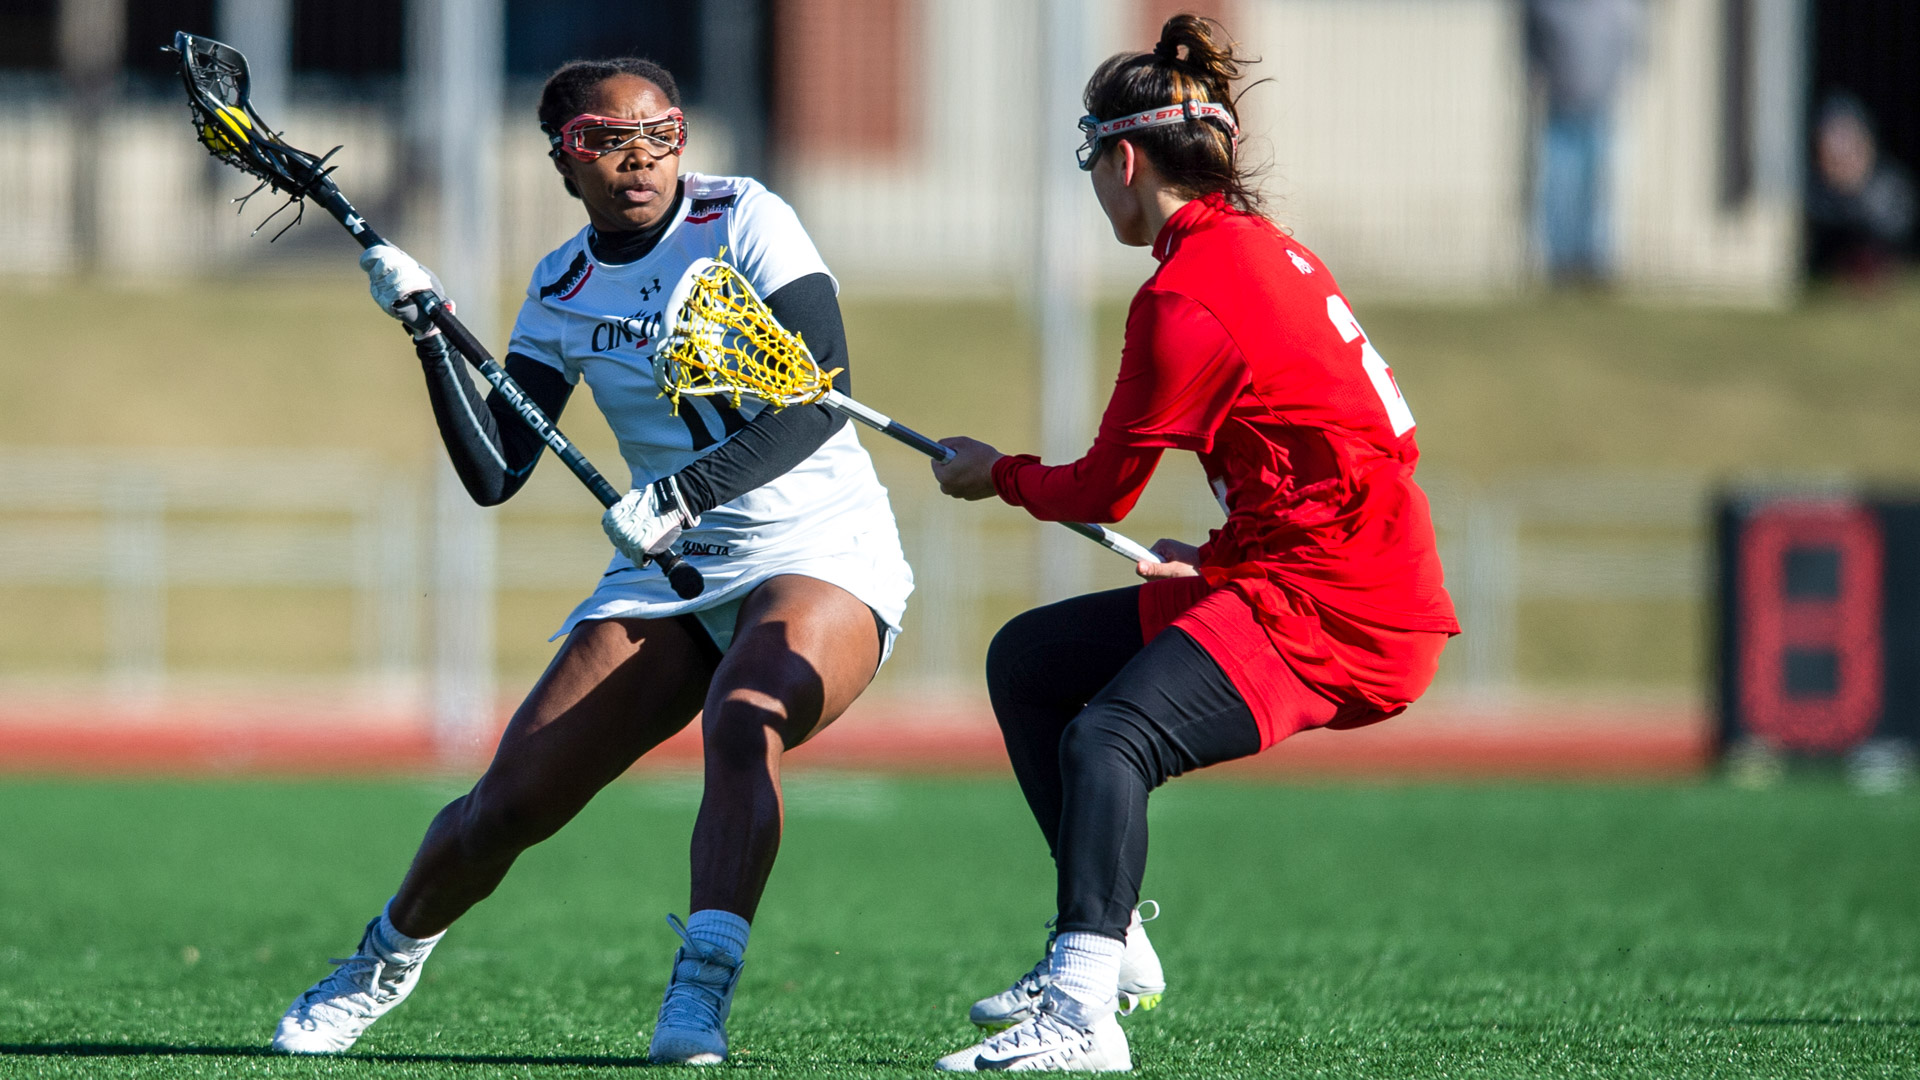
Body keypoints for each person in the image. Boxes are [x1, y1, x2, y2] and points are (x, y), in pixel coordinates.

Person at [269, 56, 912, 1066]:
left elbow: (821, 391)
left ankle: (698, 991)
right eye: (609, 142)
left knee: (746, 719)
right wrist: (431, 334)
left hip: (816, 545)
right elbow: (496, 471)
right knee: (511, 802)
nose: (640, 159)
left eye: (660, 134)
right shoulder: (561, 286)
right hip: (667, 566)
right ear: (566, 158)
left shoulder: (745, 216)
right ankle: (380, 962)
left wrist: (681, 492)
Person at [927, 16, 1457, 1072]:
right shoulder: (1262, 252)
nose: (1094, 190)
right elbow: (1329, 453)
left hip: (1337, 607)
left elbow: (1100, 486)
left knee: (1108, 738)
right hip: (1296, 571)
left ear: (1123, 160)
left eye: (1092, 166)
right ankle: (1109, 939)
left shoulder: (1185, 295)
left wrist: (996, 477)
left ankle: (1082, 1015)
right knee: (1030, 666)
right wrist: (1217, 560)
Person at [1526, 0, 1645, 284]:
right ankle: (1562, 263)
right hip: (1560, 105)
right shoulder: (1549, 7)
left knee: (1598, 187)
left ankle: (1595, 261)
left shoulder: (1617, 8)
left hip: (1599, 107)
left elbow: (1630, 45)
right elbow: (1533, 42)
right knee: (1561, 187)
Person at [1806, 92, 1915, 287]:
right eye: (1832, 150)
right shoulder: (1810, 198)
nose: (1842, 159)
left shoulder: (1891, 192)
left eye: (1850, 146)